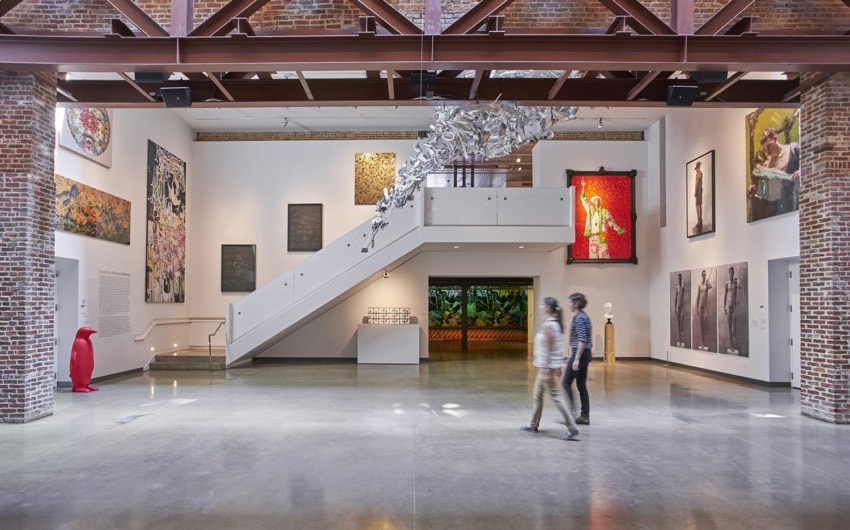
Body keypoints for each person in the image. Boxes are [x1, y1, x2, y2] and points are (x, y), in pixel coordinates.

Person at [520, 296, 580, 441]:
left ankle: (572, 428)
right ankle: (534, 424)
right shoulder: (555, 324)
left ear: (548, 308)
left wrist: (547, 371)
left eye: (543, 305)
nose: (541, 307)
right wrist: (558, 366)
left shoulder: (549, 325)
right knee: (537, 395)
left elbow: (548, 349)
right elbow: (558, 348)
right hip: (549, 366)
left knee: (556, 397)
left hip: (546, 368)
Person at [748, 126, 801, 218]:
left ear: (775, 139)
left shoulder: (793, 149)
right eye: (764, 149)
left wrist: (801, 171)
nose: (767, 151)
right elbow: (763, 193)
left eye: (769, 146)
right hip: (779, 212)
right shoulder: (767, 165)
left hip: (797, 205)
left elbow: (812, 163)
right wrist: (753, 190)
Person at [562, 292, 592, 425]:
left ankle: (572, 412)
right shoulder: (584, 316)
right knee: (581, 385)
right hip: (586, 353)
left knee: (566, 382)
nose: (569, 304)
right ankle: (584, 415)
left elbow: (582, 340)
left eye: (570, 302)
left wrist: (576, 359)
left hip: (581, 353)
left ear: (575, 304)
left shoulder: (579, 318)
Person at [580, 178, 625, 259]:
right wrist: (583, 187)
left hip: (602, 236)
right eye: (594, 200)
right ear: (593, 202)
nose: (596, 201)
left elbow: (611, 223)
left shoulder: (605, 212)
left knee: (604, 257)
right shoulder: (590, 209)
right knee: (593, 258)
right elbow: (583, 200)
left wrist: (619, 230)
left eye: (597, 200)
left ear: (600, 201)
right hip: (592, 237)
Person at [723, 266, 741, 353]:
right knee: (729, 326)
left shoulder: (735, 283)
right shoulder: (727, 284)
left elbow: (740, 287)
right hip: (728, 306)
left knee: (734, 327)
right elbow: (725, 295)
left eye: (733, 272)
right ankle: (732, 345)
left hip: (734, 306)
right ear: (729, 273)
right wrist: (724, 307)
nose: (732, 274)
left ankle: (733, 342)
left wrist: (738, 281)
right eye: (731, 272)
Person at [695, 269, 712, 349]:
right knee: (701, 326)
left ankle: (705, 342)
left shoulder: (706, 285)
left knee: (705, 326)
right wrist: (696, 308)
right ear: (702, 275)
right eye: (703, 274)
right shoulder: (700, 285)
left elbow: (711, 287)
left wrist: (709, 282)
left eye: (705, 274)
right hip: (700, 306)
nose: (704, 275)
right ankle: (703, 343)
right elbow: (698, 297)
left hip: (705, 307)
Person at [674, 273, 685, 346]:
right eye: (678, 278)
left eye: (680, 278)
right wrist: (675, 307)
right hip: (678, 306)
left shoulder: (682, 287)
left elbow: (683, 288)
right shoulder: (677, 288)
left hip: (682, 307)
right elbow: (676, 298)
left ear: (681, 278)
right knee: (678, 324)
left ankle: (682, 339)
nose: (679, 279)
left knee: (681, 324)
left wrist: (682, 283)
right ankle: (680, 340)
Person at [693, 160, 703, 230]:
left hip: (698, 190)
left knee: (697, 204)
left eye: (696, 168)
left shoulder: (697, 174)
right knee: (699, 204)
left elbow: (696, 184)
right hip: (701, 189)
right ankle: (700, 219)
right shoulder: (701, 173)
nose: (696, 170)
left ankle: (699, 220)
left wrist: (695, 192)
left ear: (697, 167)